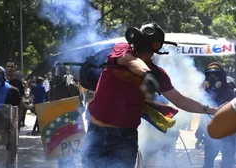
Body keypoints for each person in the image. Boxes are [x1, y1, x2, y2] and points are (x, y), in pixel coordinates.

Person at [81, 21, 218, 168]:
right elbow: (131, 61)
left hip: (123, 140)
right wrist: (147, 74)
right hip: (95, 134)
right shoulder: (122, 49)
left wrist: (211, 110)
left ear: (156, 46)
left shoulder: (159, 74)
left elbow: (181, 101)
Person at [200, 62, 235, 168]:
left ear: (221, 77)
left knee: (227, 163)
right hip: (211, 133)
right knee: (208, 162)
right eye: (209, 76)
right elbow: (203, 113)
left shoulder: (229, 92)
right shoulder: (206, 92)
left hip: (228, 134)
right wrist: (199, 133)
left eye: (215, 76)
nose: (212, 79)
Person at [5, 60, 24, 130]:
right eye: (8, 66)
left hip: (14, 115)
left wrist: (19, 119)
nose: (10, 68)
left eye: (12, 67)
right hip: (2, 116)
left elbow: (20, 101)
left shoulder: (18, 83)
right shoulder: (1, 82)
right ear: (5, 68)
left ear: (14, 69)